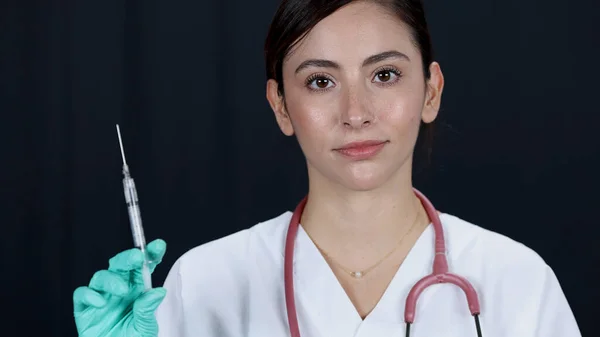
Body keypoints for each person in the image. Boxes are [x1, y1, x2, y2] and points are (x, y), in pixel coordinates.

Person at [72, 0, 582, 336]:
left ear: (430, 91)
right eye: (320, 82)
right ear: (280, 105)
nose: (356, 113)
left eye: (385, 74)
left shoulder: (517, 283)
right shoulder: (204, 284)